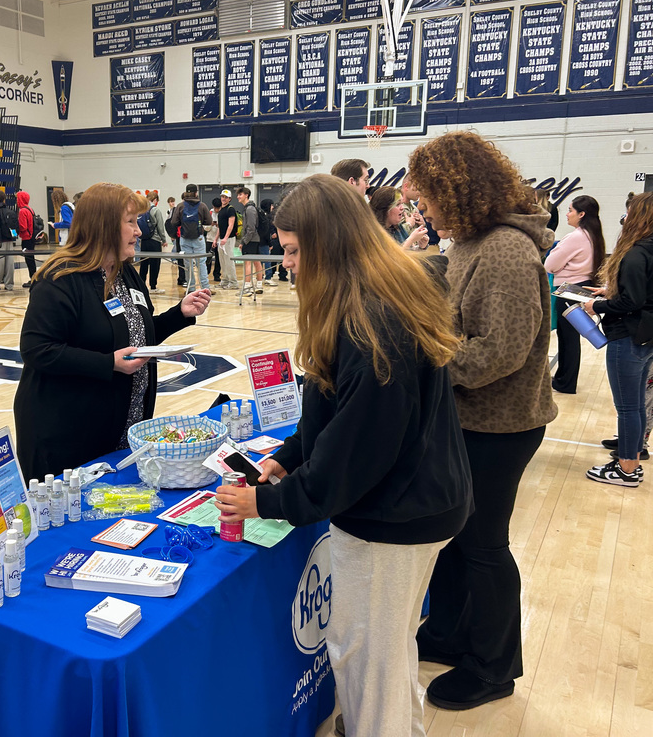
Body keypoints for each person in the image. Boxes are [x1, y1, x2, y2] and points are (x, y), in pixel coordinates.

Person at [214, 174, 472, 737]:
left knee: (365, 662)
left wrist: (266, 501)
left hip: (394, 521)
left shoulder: (372, 324)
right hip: (423, 503)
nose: (286, 264)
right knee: (388, 653)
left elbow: (350, 461)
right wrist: (288, 456)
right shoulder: (371, 297)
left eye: (292, 251)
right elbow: (335, 406)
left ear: (327, 245)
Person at [408, 130, 557, 710]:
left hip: (501, 426)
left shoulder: (504, 250)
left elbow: (501, 351)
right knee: (452, 538)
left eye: (428, 197)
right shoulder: (470, 242)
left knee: (484, 544)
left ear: (457, 190)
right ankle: (448, 632)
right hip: (468, 418)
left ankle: (495, 668)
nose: (423, 209)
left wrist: (426, 365)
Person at [13, 182, 211, 481]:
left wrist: (179, 314)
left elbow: (136, 339)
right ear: (103, 226)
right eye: (130, 222)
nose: (139, 231)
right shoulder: (61, 278)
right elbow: (37, 350)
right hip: (67, 435)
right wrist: (108, 364)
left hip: (120, 427)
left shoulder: (124, 272)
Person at [583, 191, 653, 486]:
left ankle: (626, 469)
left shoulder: (636, 252)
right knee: (637, 404)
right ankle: (631, 457)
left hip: (630, 335)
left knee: (628, 407)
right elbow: (652, 293)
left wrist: (596, 305)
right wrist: (611, 292)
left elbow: (632, 302)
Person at [544, 195, 607, 394]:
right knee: (570, 338)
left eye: (570, 210)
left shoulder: (576, 237)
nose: (567, 214)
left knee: (567, 338)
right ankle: (565, 378)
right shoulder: (594, 235)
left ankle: (565, 381)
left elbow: (550, 265)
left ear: (582, 214)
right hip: (582, 288)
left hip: (569, 291)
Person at [170, 183, 214, 294]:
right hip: (198, 238)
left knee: (188, 264)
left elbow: (174, 222)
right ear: (196, 193)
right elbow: (209, 222)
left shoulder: (180, 206)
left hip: (184, 238)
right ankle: (205, 288)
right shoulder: (202, 205)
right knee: (201, 264)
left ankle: (191, 288)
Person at [137, 191, 167, 294]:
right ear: (155, 200)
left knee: (144, 264)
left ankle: (141, 286)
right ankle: (153, 287)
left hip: (144, 241)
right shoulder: (155, 210)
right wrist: (164, 240)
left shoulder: (141, 210)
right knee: (155, 264)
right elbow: (160, 227)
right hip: (154, 241)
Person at [237, 187, 261, 295]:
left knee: (248, 263)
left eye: (240, 194)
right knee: (256, 261)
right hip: (253, 239)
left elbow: (251, 228)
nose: (238, 197)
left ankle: (247, 287)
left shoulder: (250, 209)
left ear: (246, 195)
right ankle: (259, 284)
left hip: (251, 240)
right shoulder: (248, 208)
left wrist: (244, 241)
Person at [216, 189, 239, 290]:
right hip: (221, 239)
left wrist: (225, 238)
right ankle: (225, 280)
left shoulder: (230, 209)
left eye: (226, 197)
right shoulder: (221, 210)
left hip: (228, 239)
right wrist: (216, 239)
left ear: (230, 199)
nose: (223, 199)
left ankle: (233, 282)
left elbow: (231, 225)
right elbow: (220, 227)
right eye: (222, 197)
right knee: (222, 261)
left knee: (229, 260)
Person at [17, 190, 38, 288]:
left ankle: (33, 278)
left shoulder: (22, 211)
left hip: (26, 238)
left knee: (29, 259)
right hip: (32, 237)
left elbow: (23, 226)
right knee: (31, 258)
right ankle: (34, 277)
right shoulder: (30, 209)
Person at [260, 198, 277, 285]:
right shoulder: (266, 217)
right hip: (264, 242)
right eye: (271, 205)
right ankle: (268, 277)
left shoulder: (261, 215)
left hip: (260, 242)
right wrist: (270, 243)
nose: (273, 207)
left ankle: (260, 277)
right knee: (267, 260)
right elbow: (266, 232)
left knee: (261, 261)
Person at [207, 197, 222, 284]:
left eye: (218, 208)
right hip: (210, 238)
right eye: (215, 208)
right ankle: (207, 273)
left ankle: (217, 275)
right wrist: (211, 224)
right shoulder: (209, 213)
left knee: (218, 259)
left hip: (219, 240)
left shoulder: (222, 213)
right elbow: (205, 227)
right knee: (208, 258)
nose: (217, 210)